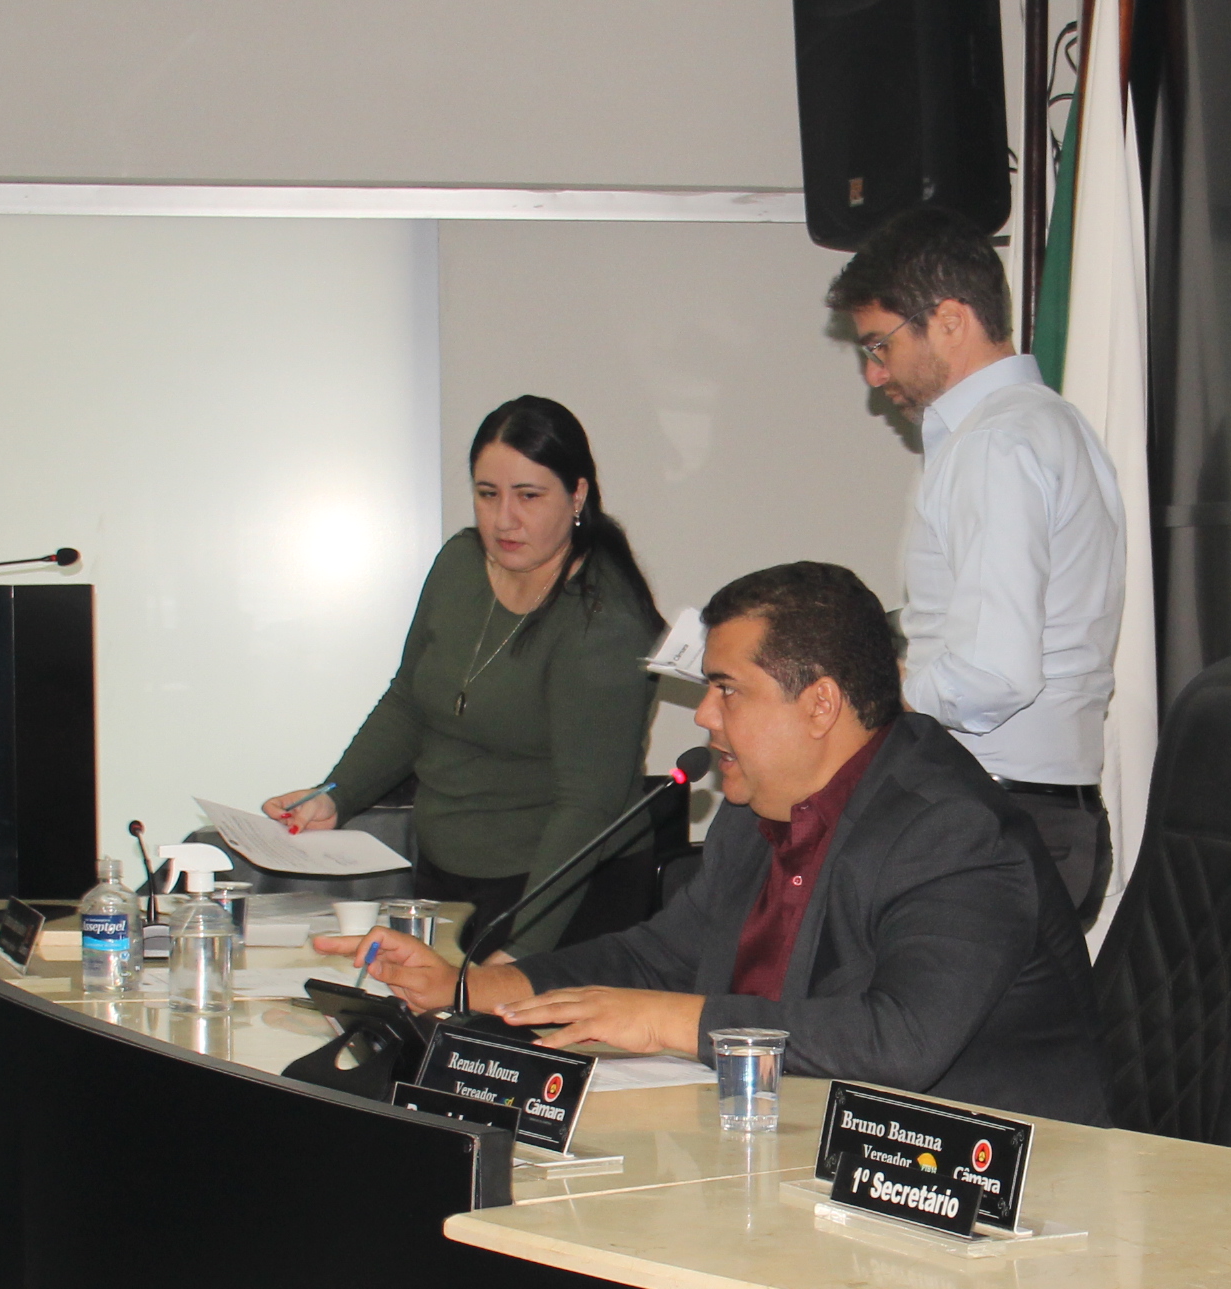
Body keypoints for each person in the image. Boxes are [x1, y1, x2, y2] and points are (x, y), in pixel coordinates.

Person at [323, 560, 1108, 1125]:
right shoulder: (758, 806)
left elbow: (899, 1040)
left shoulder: (951, 831)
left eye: (727, 690)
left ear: (820, 705)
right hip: (799, 1145)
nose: (703, 716)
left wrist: (670, 1023)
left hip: (981, 1191)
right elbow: (659, 958)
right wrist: (478, 988)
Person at [264, 396, 661, 958]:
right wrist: (336, 794)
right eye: (487, 494)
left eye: (528, 496)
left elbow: (586, 810)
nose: (503, 519)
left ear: (577, 495)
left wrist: (521, 950)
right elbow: (409, 701)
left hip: (560, 895)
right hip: (449, 876)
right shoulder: (459, 564)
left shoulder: (603, 620)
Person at [826, 207, 1125, 922]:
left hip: (999, 814)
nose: (873, 374)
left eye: (880, 344)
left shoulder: (997, 444)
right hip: (1026, 813)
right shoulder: (1047, 424)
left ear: (951, 321)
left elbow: (993, 675)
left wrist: (875, 692)